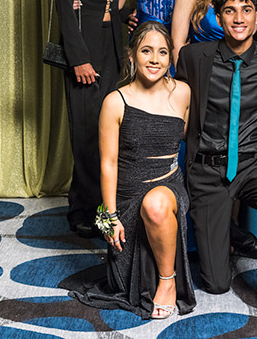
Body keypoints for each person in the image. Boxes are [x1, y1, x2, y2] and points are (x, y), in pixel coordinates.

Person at [175, 0, 257, 322]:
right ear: (218, 16)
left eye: (246, 11)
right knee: (215, 284)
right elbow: (178, 105)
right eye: (229, 11)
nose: (238, 18)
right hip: (208, 168)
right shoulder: (193, 57)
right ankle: (228, 227)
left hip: (253, 164)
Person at [69, 22, 195, 319]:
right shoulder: (115, 101)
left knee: (156, 204)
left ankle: (168, 280)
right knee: (126, 283)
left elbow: (188, 137)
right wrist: (109, 216)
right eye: (146, 51)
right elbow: (108, 163)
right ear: (131, 55)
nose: (155, 59)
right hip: (126, 195)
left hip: (168, 186)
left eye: (162, 52)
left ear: (170, 56)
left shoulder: (184, 93)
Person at [53, 0, 126, 237]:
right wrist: (77, 57)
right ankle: (80, 210)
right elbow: (66, 3)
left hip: (113, 43)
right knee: (84, 130)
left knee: (109, 128)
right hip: (83, 45)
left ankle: (105, 203)